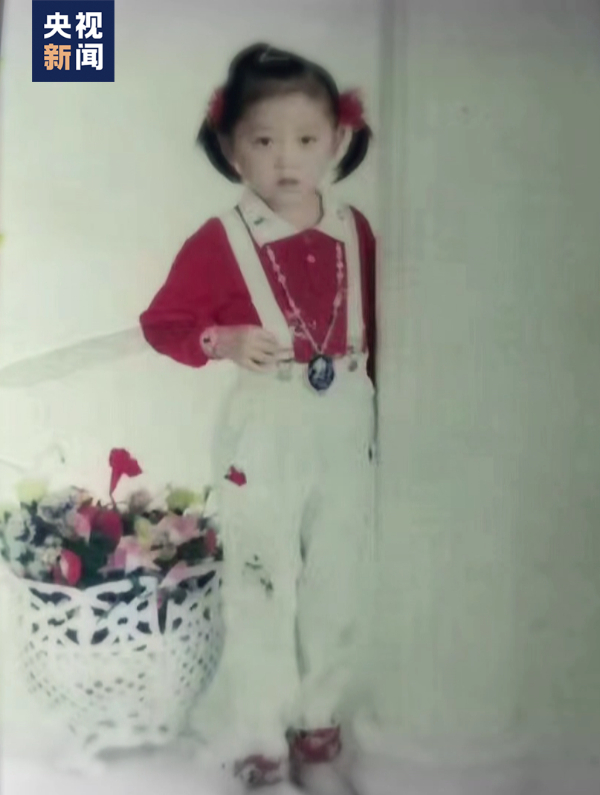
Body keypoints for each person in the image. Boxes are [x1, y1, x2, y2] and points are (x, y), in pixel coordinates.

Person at [140, 42, 377, 794]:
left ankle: (318, 722)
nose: (286, 159)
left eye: (305, 139)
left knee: (338, 576)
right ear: (231, 147)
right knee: (262, 578)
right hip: (265, 422)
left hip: (347, 418)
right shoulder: (222, 240)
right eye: (264, 141)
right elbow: (164, 323)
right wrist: (223, 339)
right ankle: (259, 739)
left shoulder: (356, 231)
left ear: (338, 139)